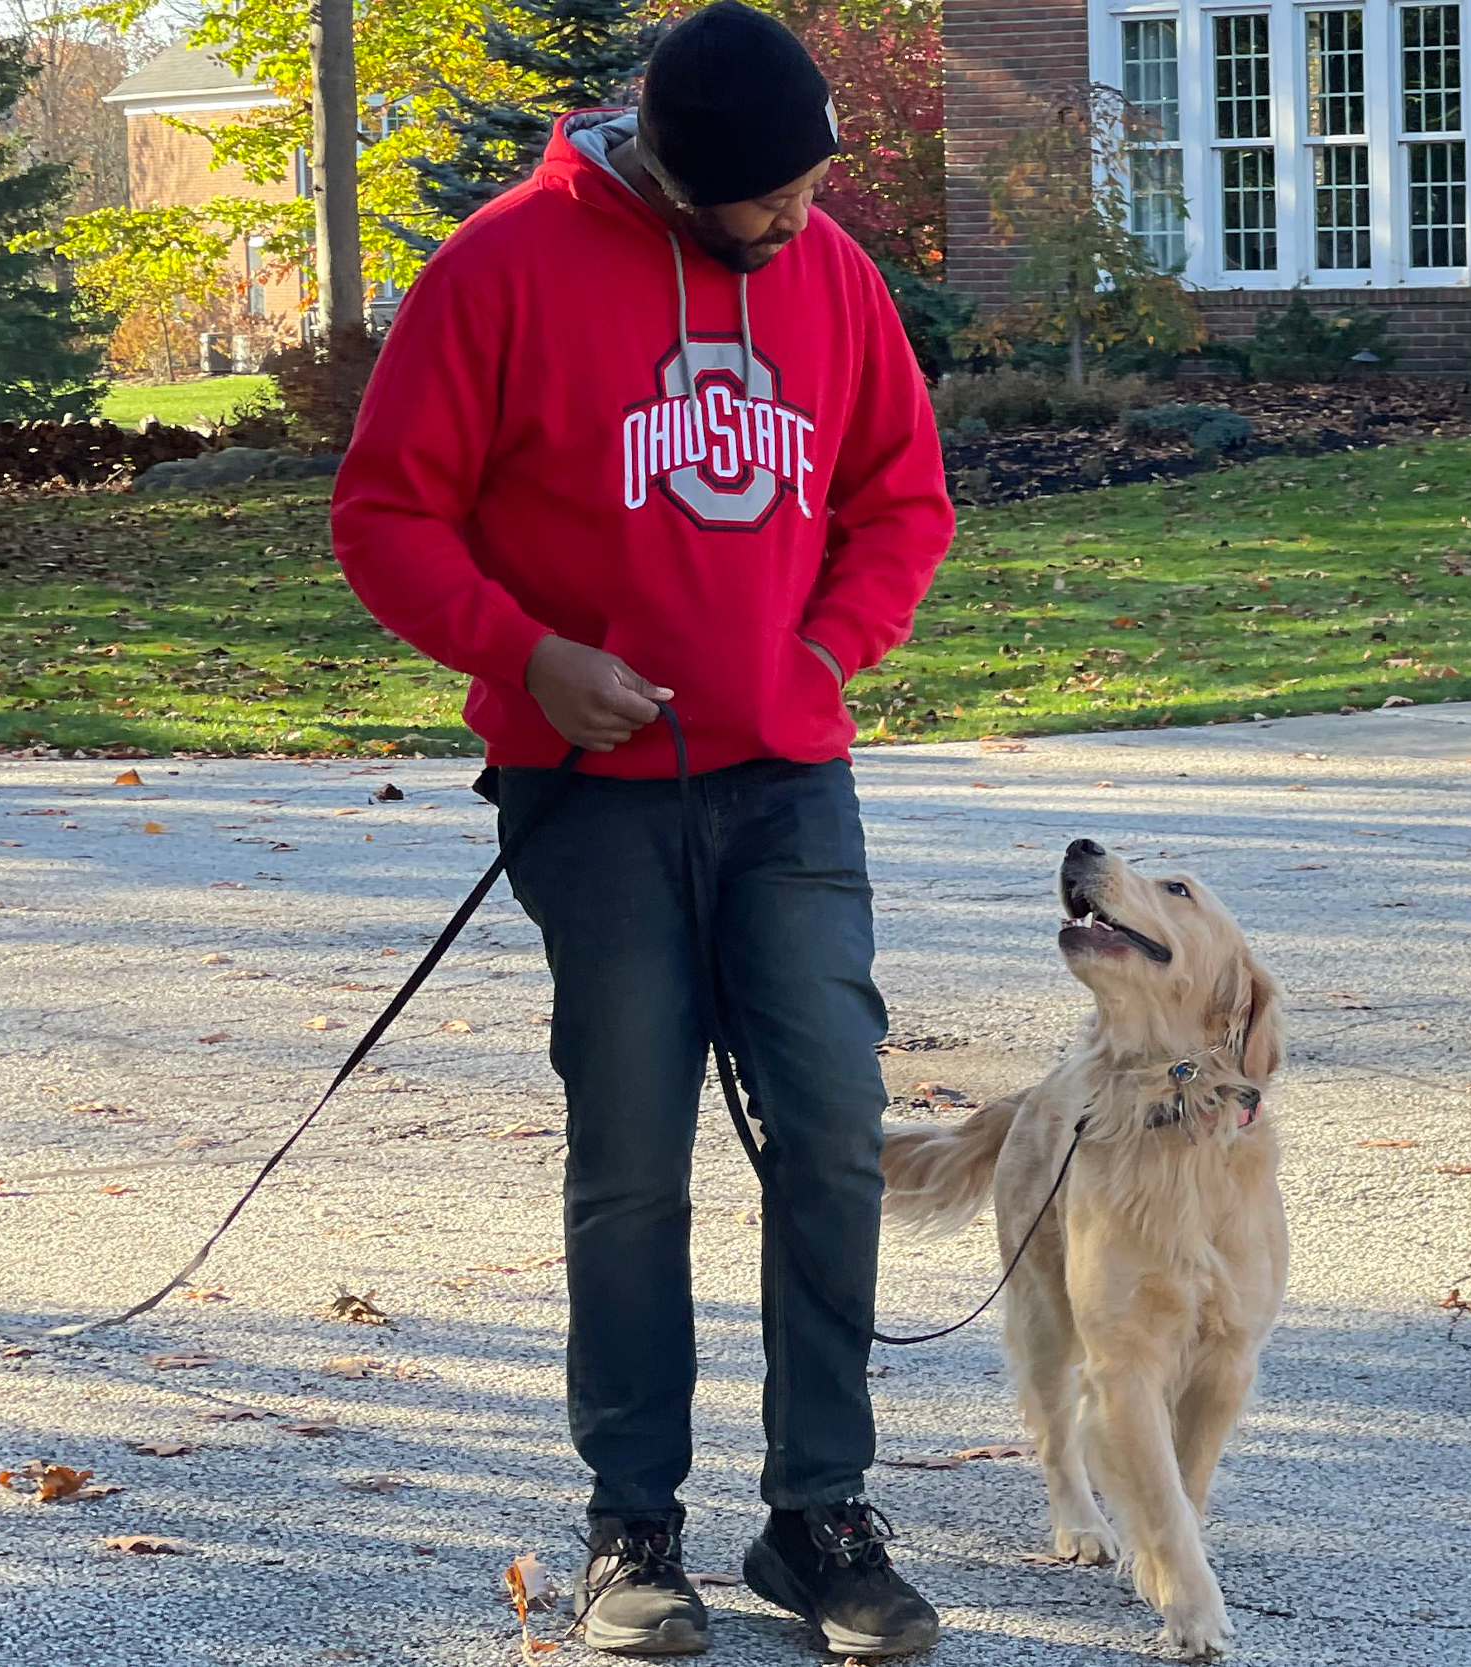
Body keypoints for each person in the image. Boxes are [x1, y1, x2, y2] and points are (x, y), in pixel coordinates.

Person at [328, 2, 953, 1656]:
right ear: (674, 176)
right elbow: (384, 513)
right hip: (593, 799)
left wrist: (821, 653)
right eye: (769, 201)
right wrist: (528, 657)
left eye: (816, 191)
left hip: (789, 782)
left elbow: (904, 496)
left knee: (829, 1128)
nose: (801, 225)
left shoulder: (829, 275)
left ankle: (819, 1516)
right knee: (634, 1161)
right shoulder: (503, 268)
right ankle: (633, 1530)